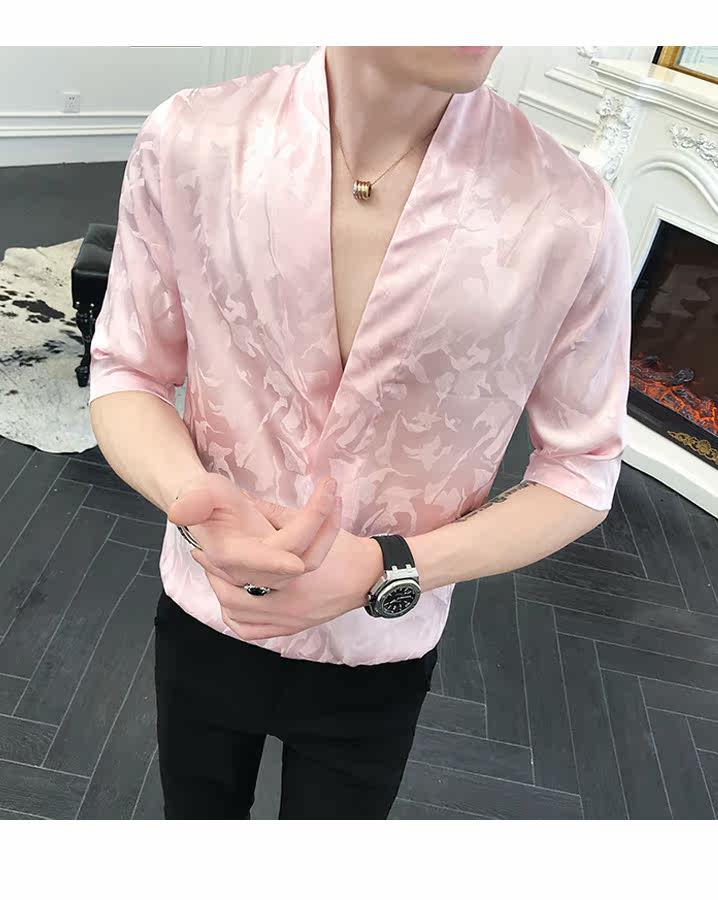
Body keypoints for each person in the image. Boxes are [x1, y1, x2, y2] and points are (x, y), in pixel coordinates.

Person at [88, 45, 632, 819]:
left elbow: (582, 468)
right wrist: (195, 500)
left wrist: (389, 567)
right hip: (209, 602)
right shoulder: (194, 141)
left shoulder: (569, 213)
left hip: (380, 647)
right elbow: (128, 370)